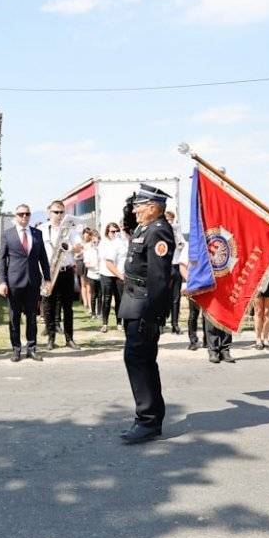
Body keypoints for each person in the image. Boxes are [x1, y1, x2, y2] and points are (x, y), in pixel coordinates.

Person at [119, 184, 174, 445]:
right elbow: (129, 221)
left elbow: (160, 279)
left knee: (140, 360)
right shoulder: (144, 227)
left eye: (139, 206)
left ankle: (148, 420)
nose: (135, 210)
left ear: (153, 208)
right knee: (138, 360)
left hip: (143, 306)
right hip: (133, 301)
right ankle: (149, 416)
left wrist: (154, 317)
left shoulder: (159, 231)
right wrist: (129, 207)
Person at [0, 204, 51, 362]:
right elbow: (1, 260)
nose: (24, 217)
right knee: (14, 317)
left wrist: (47, 279)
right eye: (21, 214)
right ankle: (16, 349)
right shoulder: (8, 234)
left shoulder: (37, 234)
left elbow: (43, 258)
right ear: (16, 216)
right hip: (14, 282)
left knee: (32, 316)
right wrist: (2, 281)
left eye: (27, 214)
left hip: (33, 281)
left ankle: (31, 348)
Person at [40, 200, 83, 350]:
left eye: (61, 212)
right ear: (49, 213)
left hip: (66, 271)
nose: (59, 215)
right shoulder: (42, 229)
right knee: (48, 305)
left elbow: (79, 248)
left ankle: (69, 338)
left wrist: (69, 247)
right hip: (49, 272)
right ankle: (51, 338)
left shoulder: (69, 229)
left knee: (68, 307)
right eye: (56, 212)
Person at [98, 222, 126, 333]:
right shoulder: (104, 243)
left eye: (117, 231)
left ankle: (119, 322)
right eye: (113, 231)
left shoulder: (120, 243)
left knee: (119, 298)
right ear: (107, 232)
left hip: (119, 274)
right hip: (107, 274)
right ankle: (105, 323)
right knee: (107, 299)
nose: (115, 233)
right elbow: (107, 262)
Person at [166, 210, 186, 335]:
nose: (170, 222)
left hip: (176, 265)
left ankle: (175, 324)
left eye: (171, 220)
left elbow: (182, 244)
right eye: (167, 220)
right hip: (165, 267)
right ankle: (161, 322)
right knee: (162, 296)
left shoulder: (177, 231)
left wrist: (176, 234)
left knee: (176, 297)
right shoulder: (161, 233)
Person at [253, 264, 269, 350]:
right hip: (256, 279)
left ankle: (266, 338)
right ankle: (258, 339)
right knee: (258, 311)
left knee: (267, 312)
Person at [82, 229, 102, 318]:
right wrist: (93, 264)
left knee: (100, 294)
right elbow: (86, 263)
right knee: (93, 294)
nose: (95, 241)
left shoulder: (101, 247)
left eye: (97, 239)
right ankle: (93, 313)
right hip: (92, 274)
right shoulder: (87, 248)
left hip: (101, 273)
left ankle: (99, 312)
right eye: (94, 239)